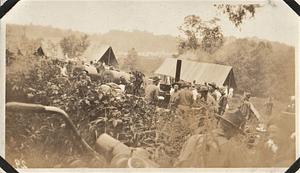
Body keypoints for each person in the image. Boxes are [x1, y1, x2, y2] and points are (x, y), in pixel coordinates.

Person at [174, 110, 249, 167]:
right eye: (236, 132)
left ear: (219, 123)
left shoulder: (194, 139)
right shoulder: (231, 149)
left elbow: (178, 165)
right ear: (233, 130)